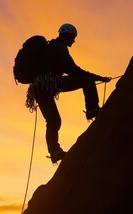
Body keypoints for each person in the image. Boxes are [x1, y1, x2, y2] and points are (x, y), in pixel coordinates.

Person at [27, 23, 111, 164]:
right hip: (49, 84)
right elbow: (74, 70)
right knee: (86, 79)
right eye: (73, 37)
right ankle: (92, 109)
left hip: (39, 88)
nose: (73, 41)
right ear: (67, 35)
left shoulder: (51, 47)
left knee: (53, 121)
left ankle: (54, 151)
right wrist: (98, 77)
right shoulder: (60, 48)